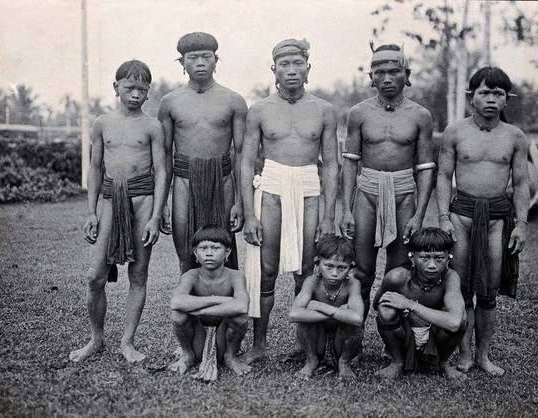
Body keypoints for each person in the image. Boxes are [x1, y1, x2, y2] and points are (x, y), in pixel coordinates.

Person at [241, 39, 339, 364]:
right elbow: (245, 162)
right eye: (284, 64)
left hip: (310, 186)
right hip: (271, 186)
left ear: (308, 69)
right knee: (266, 270)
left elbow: (332, 164)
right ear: (274, 70)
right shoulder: (259, 110)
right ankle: (259, 345)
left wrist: (329, 216)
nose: (292, 70)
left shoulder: (324, 110)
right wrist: (249, 216)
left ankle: (307, 346)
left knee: (306, 272)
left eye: (298, 64)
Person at [69, 60, 167, 363]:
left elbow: (162, 171)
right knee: (95, 275)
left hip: (143, 200)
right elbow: (96, 168)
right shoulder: (102, 123)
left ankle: (127, 342)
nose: (136, 94)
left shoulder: (152, 126)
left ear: (148, 92)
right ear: (116, 88)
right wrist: (91, 212)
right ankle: (96, 339)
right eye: (129, 87)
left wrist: (155, 215)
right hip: (111, 201)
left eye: (142, 89)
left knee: (138, 273)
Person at [436, 67, 529, 376]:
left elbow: (522, 182)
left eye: (498, 94)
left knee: (488, 290)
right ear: (471, 97)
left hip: (497, 218)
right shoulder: (455, 131)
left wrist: (522, 225)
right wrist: (442, 218)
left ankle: (483, 356)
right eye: (484, 93)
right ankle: (463, 354)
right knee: (460, 286)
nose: (491, 99)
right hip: (460, 215)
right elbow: (442, 177)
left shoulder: (515, 136)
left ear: (507, 99)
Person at [340, 44, 435, 324]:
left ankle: (392, 337)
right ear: (371, 76)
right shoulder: (359, 113)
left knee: (399, 272)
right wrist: (346, 209)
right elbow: (350, 161)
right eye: (379, 72)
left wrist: (419, 214)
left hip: (404, 191)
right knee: (361, 270)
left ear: (407, 74)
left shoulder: (421, 115)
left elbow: (426, 168)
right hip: (368, 190)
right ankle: (353, 337)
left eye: (394, 71)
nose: (387, 78)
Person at [158, 32, 248, 275]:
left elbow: (241, 154)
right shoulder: (169, 102)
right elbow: (165, 156)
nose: (200, 63)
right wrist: (163, 203)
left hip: (223, 180)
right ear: (182, 62)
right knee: (186, 252)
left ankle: (226, 311)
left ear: (216, 60)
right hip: (184, 181)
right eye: (193, 57)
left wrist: (240, 202)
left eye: (206, 57)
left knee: (222, 249)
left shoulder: (234, 101)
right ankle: (191, 312)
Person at [373, 228, 467, 380]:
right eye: (424, 257)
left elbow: (455, 322)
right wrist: (405, 317)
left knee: (461, 317)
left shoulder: (451, 278)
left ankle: (443, 363)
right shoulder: (397, 277)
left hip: (435, 334)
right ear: (412, 257)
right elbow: (377, 305)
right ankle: (397, 362)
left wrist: (409, 305)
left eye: (439, 258)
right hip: (405, 333)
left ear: (449, 258)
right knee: (386, 309)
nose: (432, 265)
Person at [168, 225, 251, 381]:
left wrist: (200, 311)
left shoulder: (235, 276)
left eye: (215, 248)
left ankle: (230, 357)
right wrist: (217, 299)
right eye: (203, 248)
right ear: (195, 253)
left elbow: (241, 306)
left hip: (223, 337)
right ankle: (187, 355)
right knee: (178, 315)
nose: (209, 253)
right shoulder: (190, 275)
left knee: (240, 317)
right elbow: (176, 301)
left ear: (227, 252)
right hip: (196, 336)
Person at [289, 235, 364, 379]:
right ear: (317, 263)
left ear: (350, 267)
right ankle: (311, 360)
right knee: (305, 319)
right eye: (329, 266)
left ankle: (344, 362)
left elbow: (357, 319)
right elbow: (294, 314)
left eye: (342, 268)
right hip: (318, 335)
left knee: (352, 324)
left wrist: (318, 306)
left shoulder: (353, 284)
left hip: (342, 338)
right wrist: (340, 312)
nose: (335, 273)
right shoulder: (312, 282)